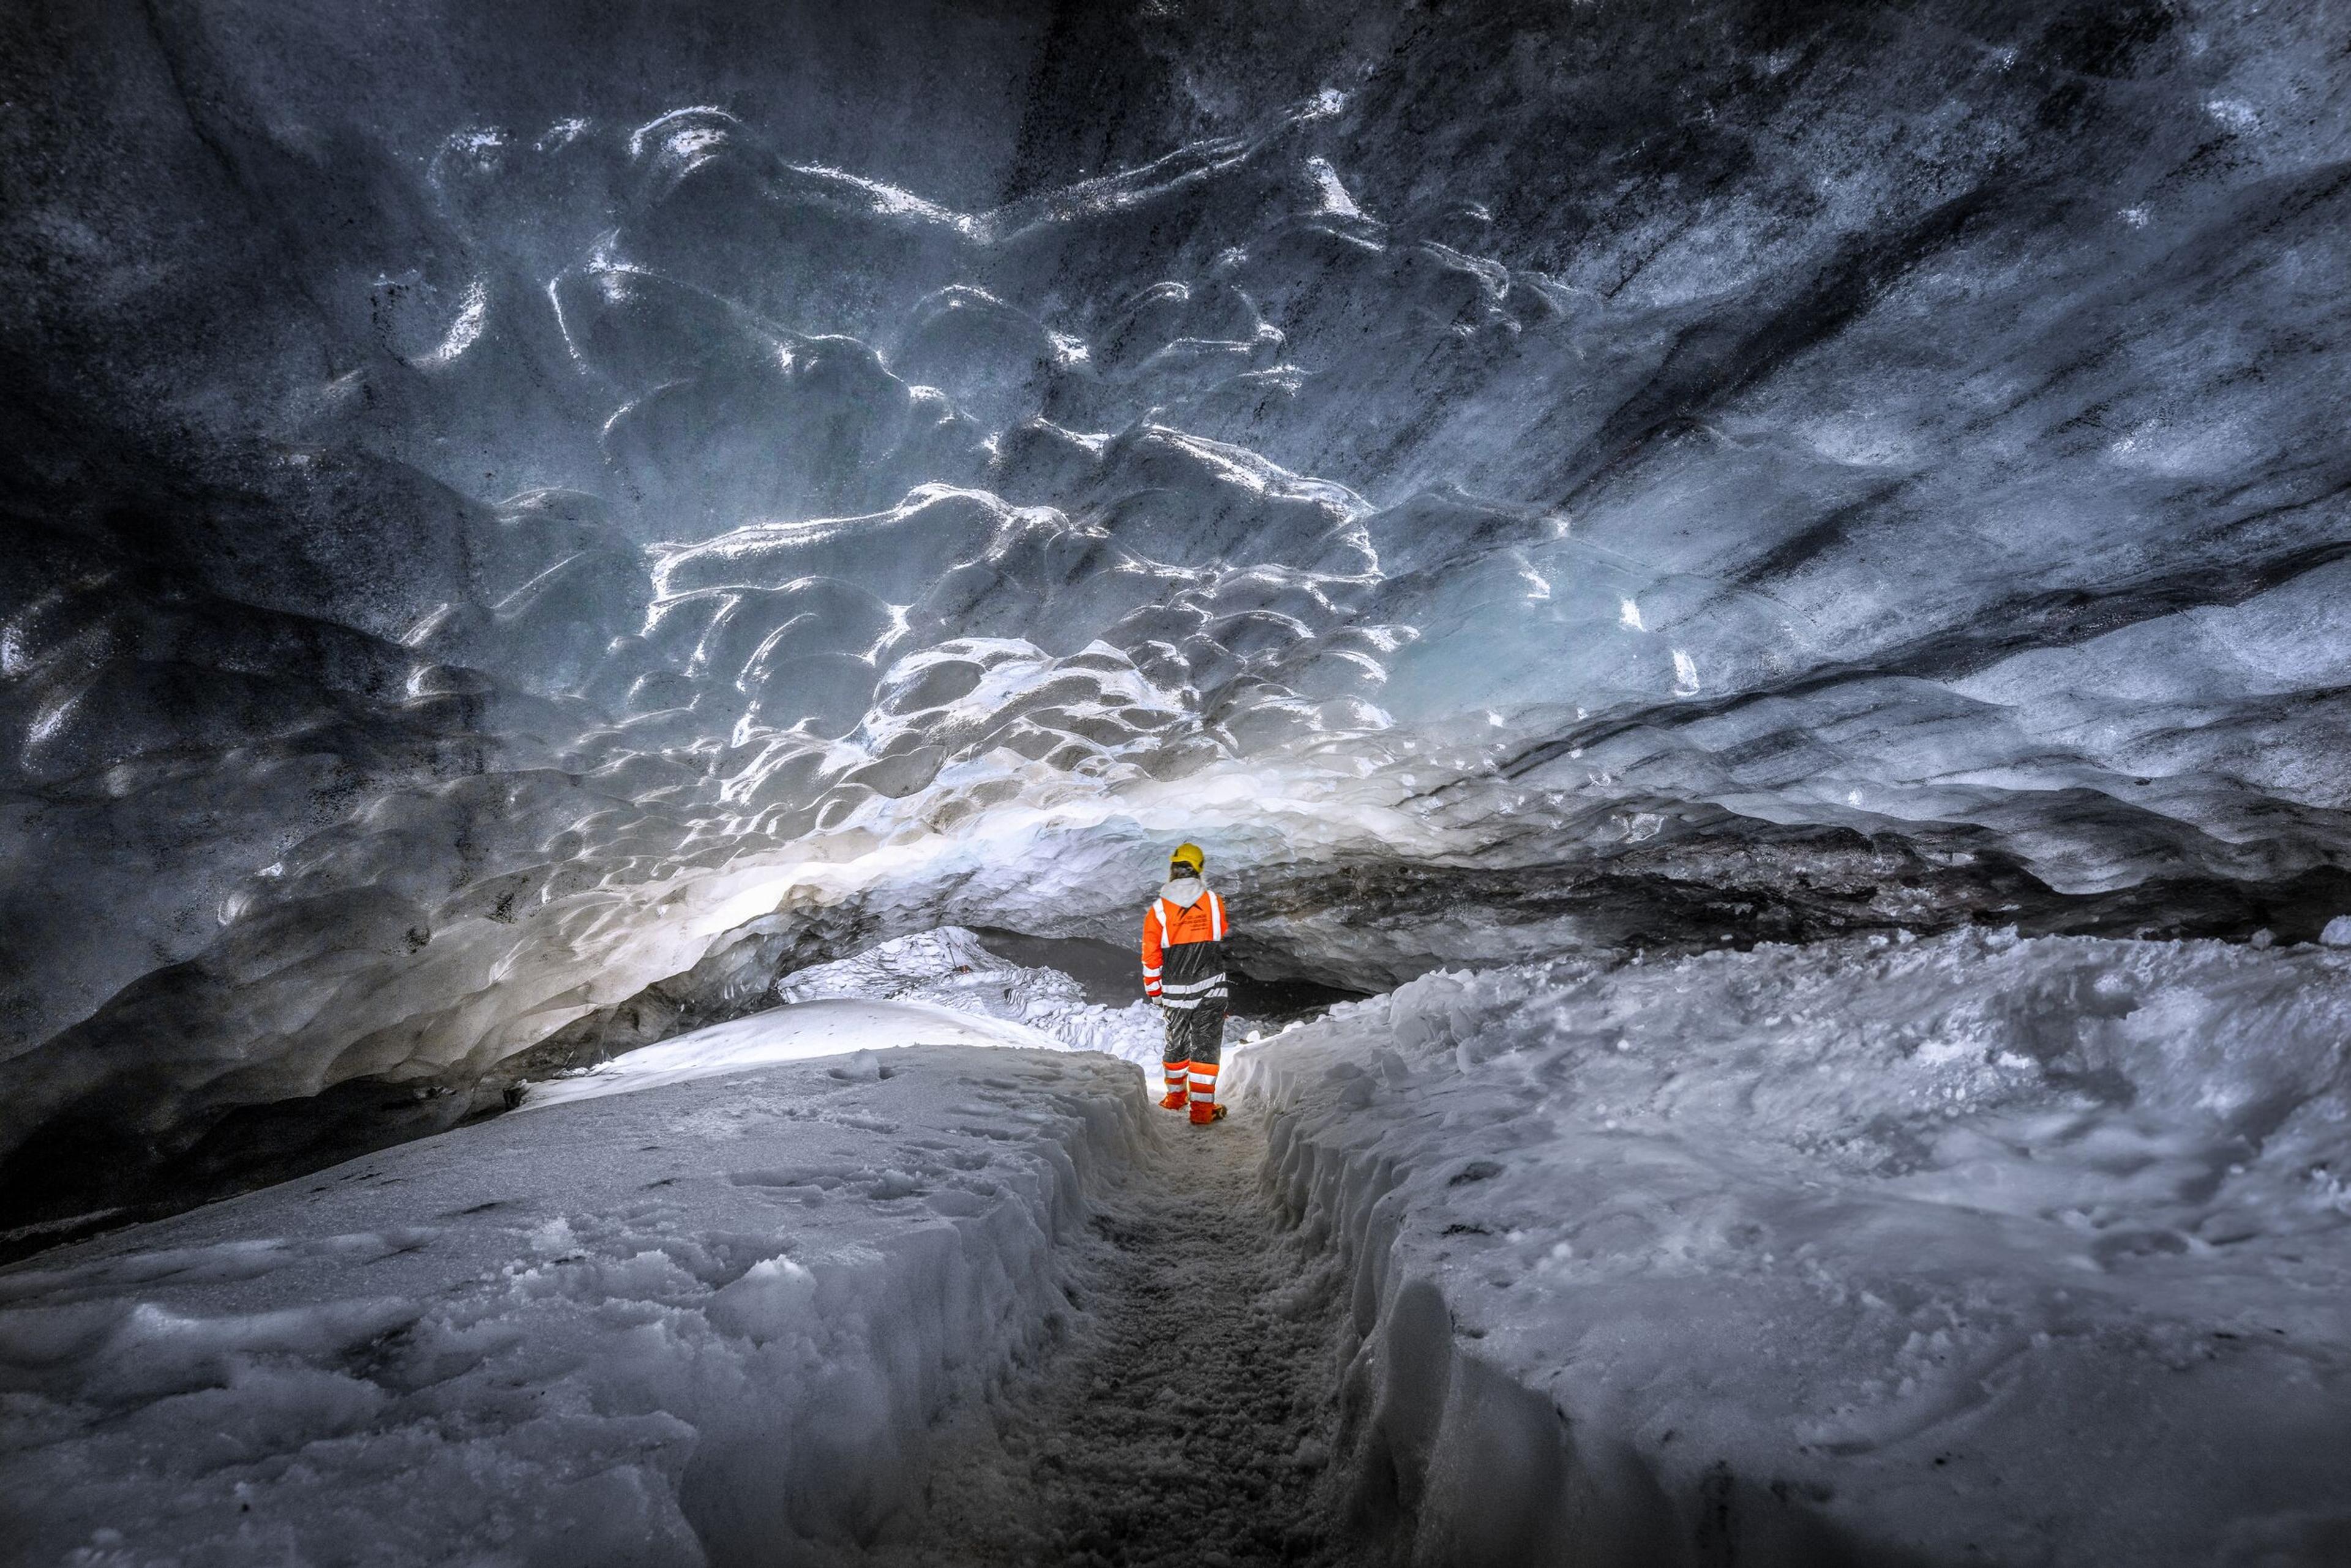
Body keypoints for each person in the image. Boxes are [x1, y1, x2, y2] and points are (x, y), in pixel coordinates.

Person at [1141, 841, 1230, 1125]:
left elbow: (1151, 955)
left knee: (1176, 1043)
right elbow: (1221, 930)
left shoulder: (1158, 910)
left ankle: (1176, 1097)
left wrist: (1156, 991)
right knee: (1206, 1046)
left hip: (1176, 991)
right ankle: (1203, 1112)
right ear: (1199, 869)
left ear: (1173, 869)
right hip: (1212, 986)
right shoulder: (1214, 902)